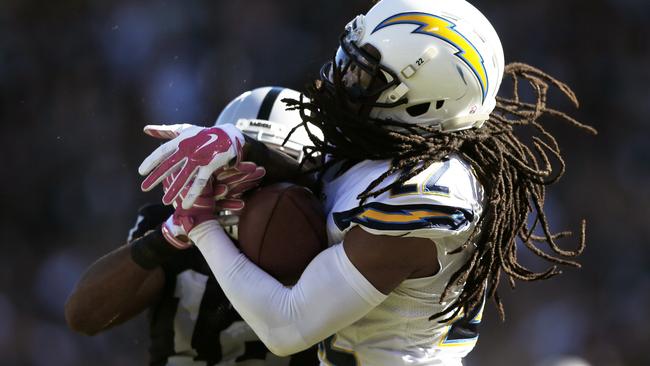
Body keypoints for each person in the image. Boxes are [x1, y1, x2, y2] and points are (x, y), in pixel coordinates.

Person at [136, 0, 597, 365]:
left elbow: (286, 327)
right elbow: (324, 174)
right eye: (348, 57)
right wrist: (241, 145)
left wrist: (199, 224)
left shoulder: (430, 189)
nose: (340, 77)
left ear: (422, 103)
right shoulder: (397, 146)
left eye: (364, 74)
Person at [65, 87, 320, 366]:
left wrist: (250, 150)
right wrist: (166, 237)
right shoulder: (178, 217)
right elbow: (83, 316)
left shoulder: (325, 225)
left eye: (265, 167)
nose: (252, 183)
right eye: (231, 163)